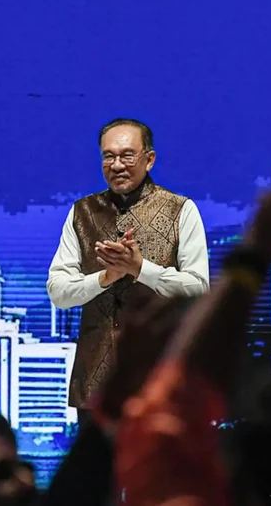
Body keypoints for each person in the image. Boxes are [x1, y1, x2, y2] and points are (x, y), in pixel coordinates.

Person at [46, 118, 210, 425]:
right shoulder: (82, 212)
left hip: (161, 382)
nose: (117, 165)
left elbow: (197, 289)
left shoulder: (181, 210)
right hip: (95, 384)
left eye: (127, 155)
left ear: (149, 159)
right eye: (108, 156)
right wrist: (104, 278)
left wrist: (139, 268)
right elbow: (58, 292)